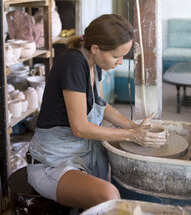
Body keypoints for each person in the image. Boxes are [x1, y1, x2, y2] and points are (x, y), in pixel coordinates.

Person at [27, 14, 167, 210]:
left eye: (122, 56)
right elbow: (80, 128)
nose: (119, 62)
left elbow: (102, 106)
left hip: (83, 153)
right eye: (116, 56)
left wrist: (136, 127)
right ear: (95, 49)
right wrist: (132, 135)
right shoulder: (73, 64)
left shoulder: (94, 63)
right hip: (53, 161)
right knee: (109, 195)